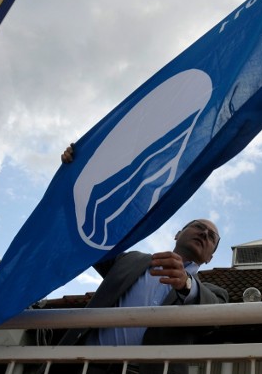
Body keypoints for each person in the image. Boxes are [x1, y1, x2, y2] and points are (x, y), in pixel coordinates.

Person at [56, 144, 229, 374]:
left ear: (210, 257)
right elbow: (89, 237)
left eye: (211, 237)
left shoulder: (211, 293)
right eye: (198, 226)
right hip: (83, 365)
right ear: (178, 234)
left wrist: (186, 284)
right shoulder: (131, 261)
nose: (204, 233)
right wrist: (74, 176)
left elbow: (215, 316)